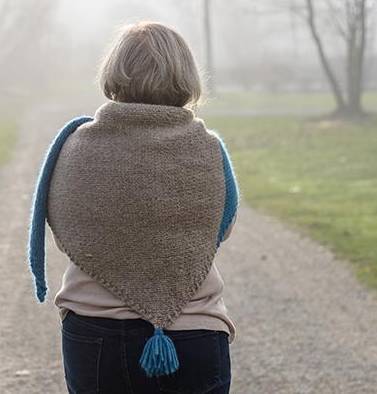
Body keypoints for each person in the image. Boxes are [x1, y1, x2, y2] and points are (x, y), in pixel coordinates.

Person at [28, 22, 239, 394]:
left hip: (95, 335)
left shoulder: (75, 146)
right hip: (194, 333)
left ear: (114, 72)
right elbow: (221, 227)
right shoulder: (208, 149)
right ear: (186, 75)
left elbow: (66, 229)